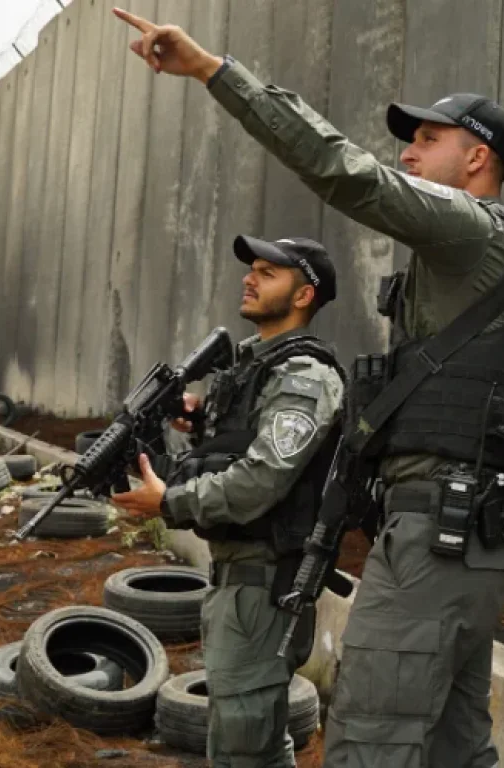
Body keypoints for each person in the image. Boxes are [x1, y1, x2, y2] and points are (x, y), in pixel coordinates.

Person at [112, 8, 504, 767]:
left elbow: (338, 166)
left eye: (427, 139)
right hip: (471, 531)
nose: (408, 153)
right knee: (453, 745)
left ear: (477, 159)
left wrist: (213, 70)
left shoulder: (468, 229)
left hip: (438, 539)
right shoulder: (486, 259)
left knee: (367, 743)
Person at [113, 234, 346, 768]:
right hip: (237, 580)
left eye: (268, 272)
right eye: (252, 269)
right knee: (251, 740)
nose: (250, 278)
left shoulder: (304, 377)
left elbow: (259, 483)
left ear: (304, 294)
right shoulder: (257, 370)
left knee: (246, 747)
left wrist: (171, 501)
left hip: (265, 585)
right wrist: (200, 425)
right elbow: (238, 455)